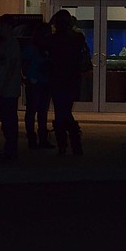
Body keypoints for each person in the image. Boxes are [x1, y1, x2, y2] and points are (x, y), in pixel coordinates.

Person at [45, 9, 85, 155]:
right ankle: (74, 140)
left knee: (60, 112)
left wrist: (49, 23)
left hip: (56, 79)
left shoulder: (52, 39)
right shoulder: (77, 37)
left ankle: (63, 143)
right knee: (66, 111)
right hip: (72, 79)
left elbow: (40, 42)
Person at [0, 15, 22, 160]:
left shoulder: (11, 44)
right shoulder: (6, 43)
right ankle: (9, 149)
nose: (0, 29)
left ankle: (11, 149)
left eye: (2, 26)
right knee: (7, 120)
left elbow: (10, 68)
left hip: (8, 90)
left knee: (9, 120)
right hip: (5, 88)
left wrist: (3, 86)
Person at [22, 21, 53, 149]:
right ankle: (34, 138)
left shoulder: (46, 47)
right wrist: (28, 77)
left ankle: (40, 138)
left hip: (43, 82)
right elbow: (23, 62)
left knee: (40, 111)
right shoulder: (33, 47)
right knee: (34, 110)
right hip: (36, 82)